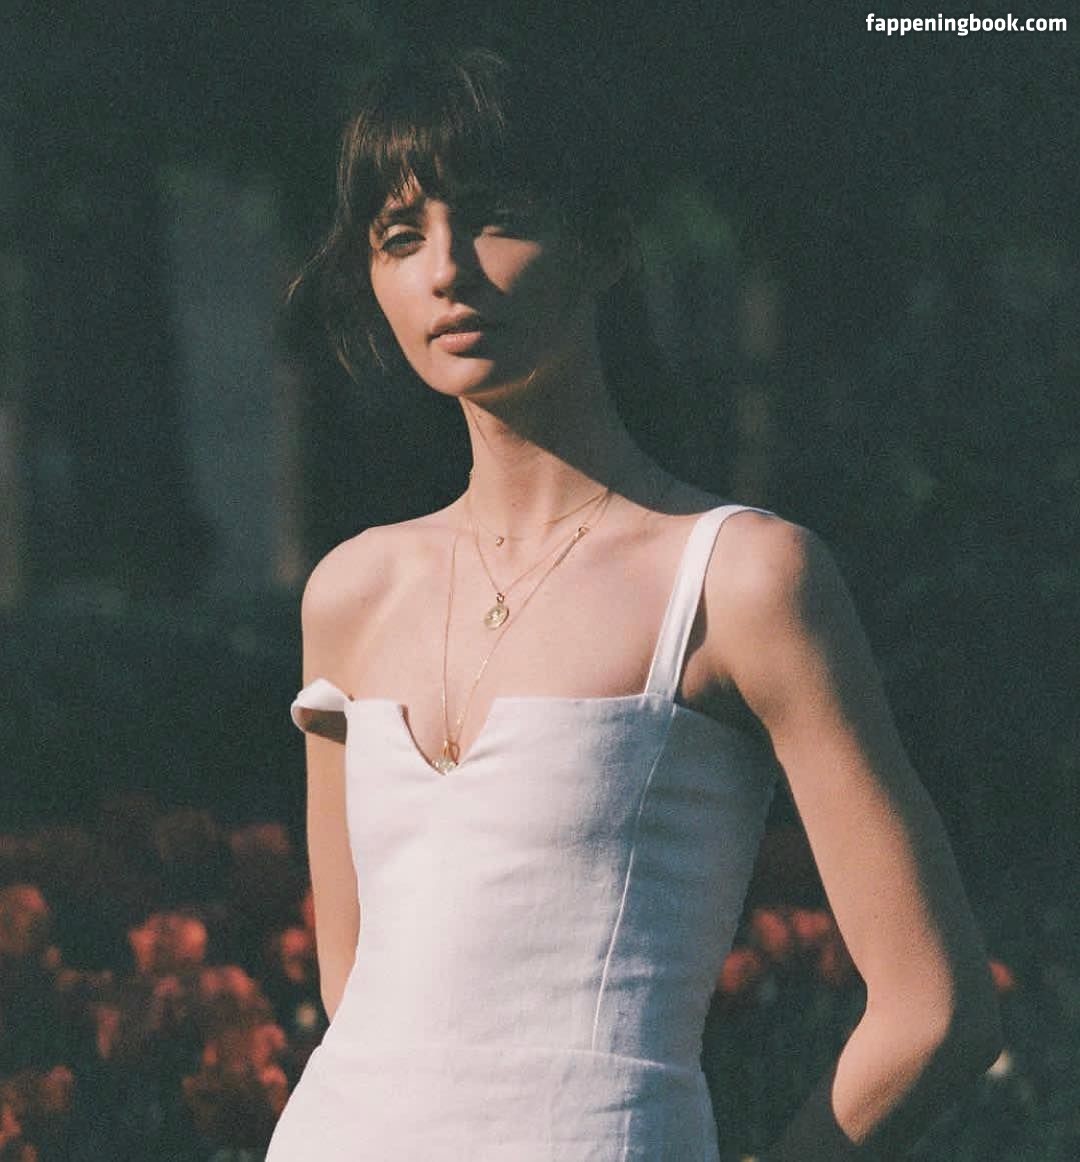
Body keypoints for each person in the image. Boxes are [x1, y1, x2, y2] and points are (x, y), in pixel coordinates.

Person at [266, 40, 1001, 1161]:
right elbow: (357, 989)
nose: (447, 269)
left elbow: (935, 1011)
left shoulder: (741, 579)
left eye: (497, 218)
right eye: (400, 236)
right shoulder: (352, 592)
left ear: (605, 243)